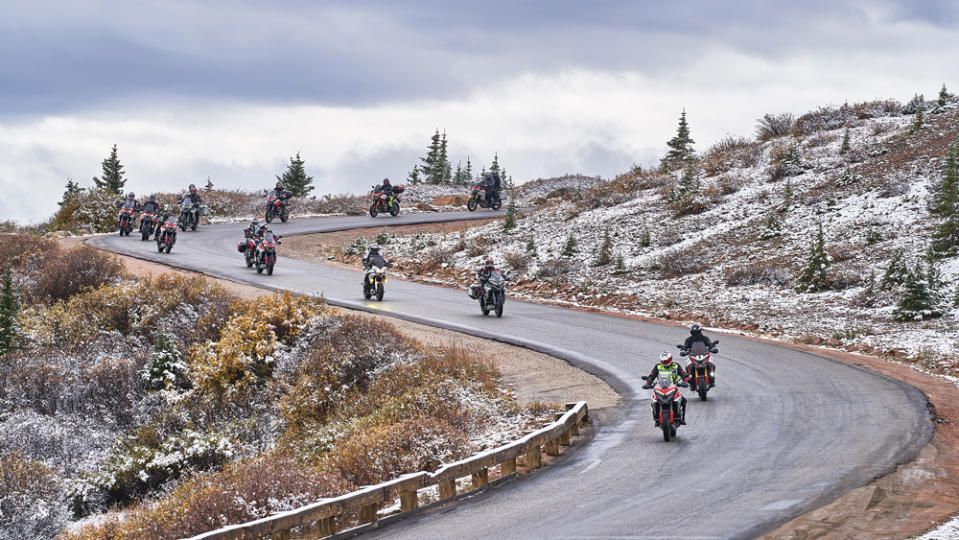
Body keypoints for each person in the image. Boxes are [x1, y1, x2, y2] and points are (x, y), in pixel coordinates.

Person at [644, 351, 689, 426]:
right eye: (663, 361)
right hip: (660, 388)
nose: (665, 362)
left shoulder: (676, 366)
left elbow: (683, 374)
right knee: (653, 400)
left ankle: (682, 418)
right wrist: (648, 383)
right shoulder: (657, 367)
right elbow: (651, 376)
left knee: (683, 400)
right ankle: (656, 418)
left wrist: (684, 381)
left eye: (666, 361)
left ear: (670, 359)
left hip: (673, 388)